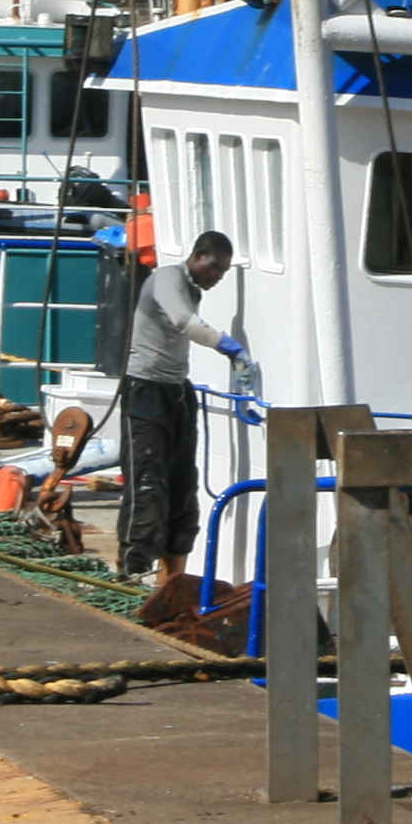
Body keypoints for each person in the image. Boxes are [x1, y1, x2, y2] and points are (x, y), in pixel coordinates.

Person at [118, 230, 241, 594]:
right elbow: (184, 321)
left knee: (183, 486)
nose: (218, 277)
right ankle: (132, 574)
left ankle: (171, 581)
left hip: (176, 391)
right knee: (147, 483)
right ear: (198, 256)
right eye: (215, 268)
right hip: (145, 390)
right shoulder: (168, 279)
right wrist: (228, 346)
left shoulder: (193, 288)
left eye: (223, 271)